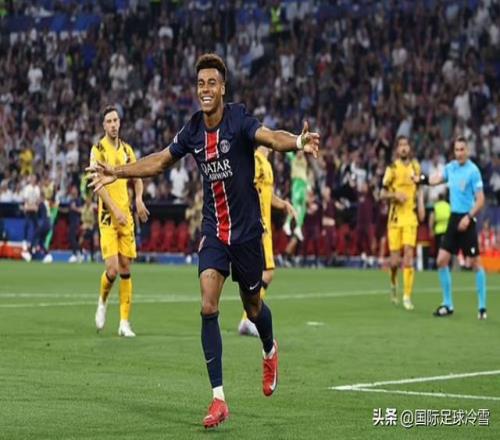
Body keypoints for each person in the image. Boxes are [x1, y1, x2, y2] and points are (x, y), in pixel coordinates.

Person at [88, 53, 320, 429]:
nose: (205, 90)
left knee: (254, 307)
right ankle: (218, 399)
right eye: (200, 84)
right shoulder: (193, 129)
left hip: (247, 234)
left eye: (212, 83)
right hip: (214, 232)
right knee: (208, 305)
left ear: (223, 87)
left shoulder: (239, 119)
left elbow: (270, 137)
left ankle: (269, 348)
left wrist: (296, 141)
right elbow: (160, 160)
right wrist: (117, 171)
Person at [91, 106, 150, 337]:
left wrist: (139, 199)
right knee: (112, 269)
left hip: (126, 217)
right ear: (103, 125)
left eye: (115, 120)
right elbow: (97, 185)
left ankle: (124, 323)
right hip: (108, 217)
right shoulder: (97, 150)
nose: (113, 124)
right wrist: (115, 209)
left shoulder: (127, 150)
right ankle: (102, 301)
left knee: (125, 268)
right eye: (109, 121)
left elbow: (137, 176)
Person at [418, 137, 487, 319]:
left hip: (467, 218)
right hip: (454, 218)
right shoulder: (451, 168)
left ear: (468, 150)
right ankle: (447, 304)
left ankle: (482, 307)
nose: (459, 153)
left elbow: (481, 200)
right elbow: (436, 179)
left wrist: (469, 217)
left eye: (462, 149)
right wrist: (421, 179)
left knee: (475, 263)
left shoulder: (473, 171)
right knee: (441, 260)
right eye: (457, 150)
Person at [238, 145, 296, 337]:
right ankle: (248, 319)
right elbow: (246, 189)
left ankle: (247, 319)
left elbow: (267, 195)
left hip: (265, 227)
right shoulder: (256, 161)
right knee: (266, 272)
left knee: (264, 273)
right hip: (259, 226)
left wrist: (284, 204)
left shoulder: (266, 164)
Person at [381, 136, 425, 310]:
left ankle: (407, 296)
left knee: (408, 255)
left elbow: (419, 188)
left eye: (406, 145)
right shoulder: (392, 169)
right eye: (400, 145)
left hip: (410, 218)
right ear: (397, 149)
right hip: (395, 219)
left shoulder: (416, 167)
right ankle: (393, 283)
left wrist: (421, 205)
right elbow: (381, 194)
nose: (404, 148)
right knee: (394, 262)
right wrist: (395, 195)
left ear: (410, 148)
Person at [283, 150, 308, 241]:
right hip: (296, 184)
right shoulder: (293, 158)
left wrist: (308, 185)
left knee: (303, 207)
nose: (301, 153)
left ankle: (298, 227)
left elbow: (304, 173)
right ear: (296, 152)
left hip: (303, 185)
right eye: (299, 151)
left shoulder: (304, 161)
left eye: (302, 151)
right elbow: (287, 150)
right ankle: (287, 223)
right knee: (295, 206)